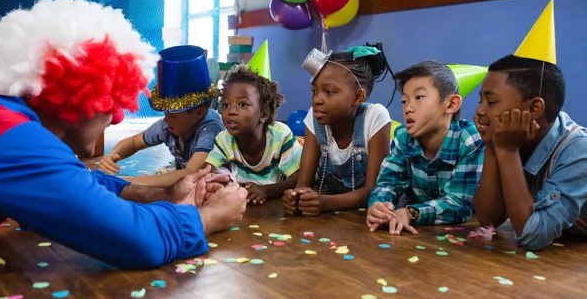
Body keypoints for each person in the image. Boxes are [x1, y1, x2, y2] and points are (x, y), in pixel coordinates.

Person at [0, 0, 247, 269]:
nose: (116, 118)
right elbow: (139, 240)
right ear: (80, 93)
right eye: (111, 102)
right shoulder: (11, 137)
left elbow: (73, 183)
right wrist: (209, 216)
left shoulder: (5, 124)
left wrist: (166, 195)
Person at [473, 0, 587, 250]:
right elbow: (489, 219)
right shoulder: (508, 138)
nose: (480, 110)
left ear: (535, 108)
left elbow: (532, 237)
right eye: (480, 100)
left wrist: (507, 151)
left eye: (491, 101)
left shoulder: (578, 149)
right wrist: (493, 147)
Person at [367, 60, 484, 235]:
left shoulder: (468, 140)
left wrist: (411, 213)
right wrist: (380, 205)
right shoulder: (403, 137)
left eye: (419, 97)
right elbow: (388, 183)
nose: (408, 108)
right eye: (404, 101)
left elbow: (459, 203)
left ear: (451, 104)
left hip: (462, 234)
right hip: (416, 233)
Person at [282, 44, 392, 216]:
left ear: (358, 97)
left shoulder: (375, 116)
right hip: (334, 216)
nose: (317, 99)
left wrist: (324, 203)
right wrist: (297, 197)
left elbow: (374, 189)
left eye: (329, 92)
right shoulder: (315, 117)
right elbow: (304, 180)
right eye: (314, 91)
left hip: (371, 215)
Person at [99, 45, 225, 187]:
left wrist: (126, 182)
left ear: (199, 113)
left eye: (173, 115)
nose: (166, 119)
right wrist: (112, 156)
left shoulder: (211, 129)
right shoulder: (169, 124)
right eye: (165, 113)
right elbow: (134, 142)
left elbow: (191, 173)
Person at [205, 64, 302, 205]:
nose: (231, 111)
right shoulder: (224, 139)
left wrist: (266, 191)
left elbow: (298, 179)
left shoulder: (280, 136)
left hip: (277, 207)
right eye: (225, 105)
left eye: (242, 104)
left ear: (263, 114)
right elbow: (208, 170)